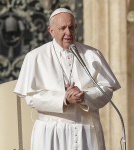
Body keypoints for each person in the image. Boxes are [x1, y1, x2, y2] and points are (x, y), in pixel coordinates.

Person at [14, 8, 121, 150]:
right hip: (50, 133)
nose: (68, 33)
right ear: (51, 31)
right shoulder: (36, 57)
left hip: (85, 132)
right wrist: (63, 99)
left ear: (76, 27)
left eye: (71, 27)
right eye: (62, 28)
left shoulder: (92, 55)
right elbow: (31, 98)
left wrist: (85, 96)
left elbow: (107, 89)